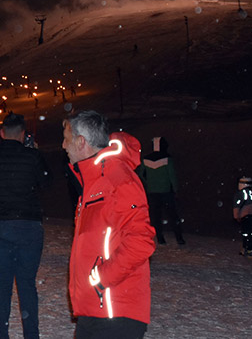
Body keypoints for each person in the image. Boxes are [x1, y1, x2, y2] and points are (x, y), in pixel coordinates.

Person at [63, 111, 157, 339]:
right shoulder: (93, 182)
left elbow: (141, 241)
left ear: (81, 141)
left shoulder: (118, 178)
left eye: (66, 138)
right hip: (94, 309)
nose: (63, 145)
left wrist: (101, 278)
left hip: (115, 312)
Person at [0, 113, 50, 339]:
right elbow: (46, 183)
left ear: (2, 133)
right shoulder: (32, 156)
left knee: (2, 282)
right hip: (29, 226)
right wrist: (35, 152)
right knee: (26, 283)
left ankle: (1, 333)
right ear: (23, 134)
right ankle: (31, 334)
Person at [136, 136, 185, 245]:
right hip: (166, 192)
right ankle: (179, 238)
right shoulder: (167, 159)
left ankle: (160, 238)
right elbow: (172, 176)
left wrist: (149, 183)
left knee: (155, 216)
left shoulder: (146, 159)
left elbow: (141, 175)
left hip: (152, 192)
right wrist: (175, 189)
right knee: (173, 215)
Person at [233, 176, 252, 258]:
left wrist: (236, 216)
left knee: (246, 233)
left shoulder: (240, 194)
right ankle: (246, 248)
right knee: (249, 232)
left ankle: (250, 249)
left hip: (245, 215)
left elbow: (237, 205)